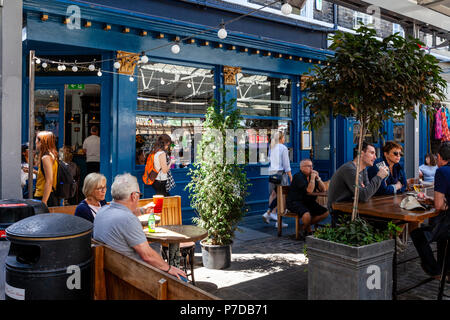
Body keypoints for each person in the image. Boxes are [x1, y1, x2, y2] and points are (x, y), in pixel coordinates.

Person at [93, 173, 186, 280]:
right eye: (139, 194)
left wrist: (142, 210)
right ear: (133, 196)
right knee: (181, 279)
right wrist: (169, 268)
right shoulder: (128, 220)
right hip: (132, 277)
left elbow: (122, 215)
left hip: (111, 272)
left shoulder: (102, 211)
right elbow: (148, 256)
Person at [410, 142, 450, 279]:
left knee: (416, 232)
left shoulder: (442, 172)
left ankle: (435, 271)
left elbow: (439, 206)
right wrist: (433, 201)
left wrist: (438, 203)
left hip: (447, 225)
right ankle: (445, 270)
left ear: (439, 157)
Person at [327, 141, 389, 222]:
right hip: (340, 212)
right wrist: (379, 177)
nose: (375, 157)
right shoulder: (349, 169)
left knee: (388, 221)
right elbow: (364, 196)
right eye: (372, 153)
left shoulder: (363, 170)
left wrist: (366, 190)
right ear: (361, 153)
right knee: (382, 222)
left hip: (354, 208)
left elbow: (367, 192)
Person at [286, 159, 329, 237]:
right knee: (307, 215)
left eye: (312, 166)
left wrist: (318, 178)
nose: (311, 168)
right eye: (309, 166)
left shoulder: (311, 176)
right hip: (295, 202)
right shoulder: (298, 176)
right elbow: (309, 191)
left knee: (326, 212)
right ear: (302, 167)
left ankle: (303, 227)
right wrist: (312, 178)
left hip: (309, 202)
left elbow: (323, 189)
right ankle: (306, 228)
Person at [263, 130, 292, 228]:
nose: (285, 139)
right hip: (280, 174)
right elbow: (286, 165)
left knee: (273, 194)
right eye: (284, 137)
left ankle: (270, 214)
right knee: (282, 197)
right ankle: (277, 221)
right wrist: (291, 177)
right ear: (281, 138)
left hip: (272, 173)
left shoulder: (272, 147)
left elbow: (269, 160)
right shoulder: (283, 148)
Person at [34, 131, 60, 207]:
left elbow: (49, 180)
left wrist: (44, 202)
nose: (35, 143)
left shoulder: (46, 157)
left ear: (41, 142)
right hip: (48, 194)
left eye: (36, 140)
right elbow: (48, 175)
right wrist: (35, 172)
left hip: (45, 195)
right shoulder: (52, 155)